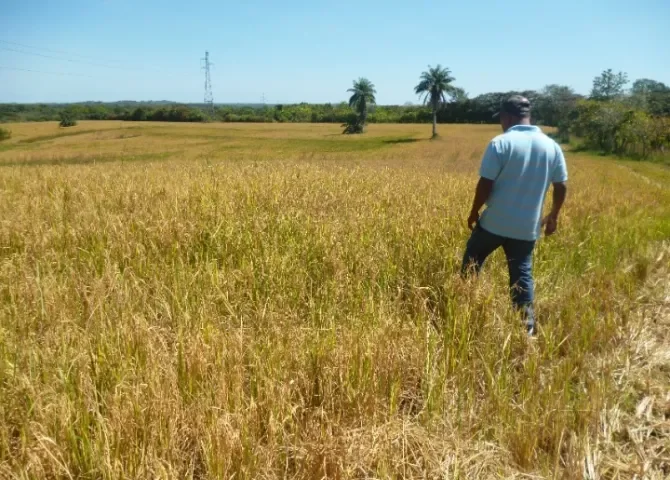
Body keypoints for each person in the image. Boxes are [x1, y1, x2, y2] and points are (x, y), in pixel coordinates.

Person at [461, 95, 568, 335]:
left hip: (494, 223)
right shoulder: (551, 146)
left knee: (472, 259)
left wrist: (474, 211)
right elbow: (561, 186)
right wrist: (553, 215)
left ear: (507, 117)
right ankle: (527, 329)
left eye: (500, 118)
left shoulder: (500, 143)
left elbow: (485, 183)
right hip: (526, 228)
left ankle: (465, 307)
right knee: (521, 275)